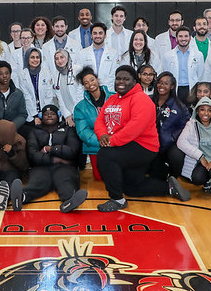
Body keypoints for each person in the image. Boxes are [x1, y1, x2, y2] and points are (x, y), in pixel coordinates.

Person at [95, 66, 191, 212]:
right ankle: (169, 187)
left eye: (126, 79)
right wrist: (102, 135)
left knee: (105, 156)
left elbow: (135, 127)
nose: (121, 82)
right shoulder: (112, 99)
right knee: (131, 187)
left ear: (135, 81)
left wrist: (111, 141)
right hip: (124, 145)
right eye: (118, 78)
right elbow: (100, 120)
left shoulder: (141, 99)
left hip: (143, 147)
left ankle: (117, 200)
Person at [8, 104, 88, 213]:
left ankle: (69, 201)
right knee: (36, 184)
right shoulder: (34, 132)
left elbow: (71, 151)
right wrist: (56, 159)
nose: (49, 116)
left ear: (58, 115)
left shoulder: (68, 130)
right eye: (46, 114)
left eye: (52, 114)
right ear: (41, 117)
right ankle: (21, 197)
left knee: (66, 183)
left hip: (64, 167)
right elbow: (33, 155)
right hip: (41, 167)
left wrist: (50, 149)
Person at [73, 67, 114, 181]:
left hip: (117, 143)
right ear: (84, 86)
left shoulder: (114, 97)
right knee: (99, 177)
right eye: (86, 83)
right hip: (96, 147)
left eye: (92, 79)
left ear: (97, 79)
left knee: (117, 174)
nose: (90, 84)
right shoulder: (80, 107)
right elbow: (83, 131)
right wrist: (102, 141)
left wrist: (115, 140)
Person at [153, 72, 190, 178]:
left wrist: (172, 137)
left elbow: (186, 126)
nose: (162, 86)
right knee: (157, 175)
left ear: (172, 86)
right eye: (159, 82)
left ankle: (174, 177)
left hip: (169, 144)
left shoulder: (179, 106)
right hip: (150, 142)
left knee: (176, 155)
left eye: (166, 83)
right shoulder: (148, 100)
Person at [161, 26, 204, 105]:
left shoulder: (198, 55)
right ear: (176, 38)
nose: (183, 39)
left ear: (190, 38)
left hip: (191, 89)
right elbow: (165, 74)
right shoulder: (167, 56)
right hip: (175, 89)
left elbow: (200, 74)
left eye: (186, 36)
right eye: (180, 36)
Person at [16, 47, 54, 131]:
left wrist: (44, 114)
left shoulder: (46, 73)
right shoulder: (22, 75)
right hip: (30, 113)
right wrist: (35, 116)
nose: (35, 60)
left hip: (46, 112)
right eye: (32, 57)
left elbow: (49, 95)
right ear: (27, 59)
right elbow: (26, 97)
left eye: (37, 57)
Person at [79, 22, 120, 91]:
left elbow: (113, 75)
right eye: (95, 33)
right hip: (89, 90)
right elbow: (81, 75)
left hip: (108, 90)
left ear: (105, 35)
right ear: (91, 35)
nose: (97, 36)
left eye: (100, 33)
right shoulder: (83, 53)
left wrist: (101, 88)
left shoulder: (114, 53)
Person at [52, 49, 84, 127]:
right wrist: (67, 115)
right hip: (67, 115)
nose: (59, 60)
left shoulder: (78, 69)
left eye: (62, 57)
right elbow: (59, 97)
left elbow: (81, 93)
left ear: (67, 57)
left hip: (81, 110)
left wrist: (74, 113)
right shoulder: (55, 74)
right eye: (57, 59)